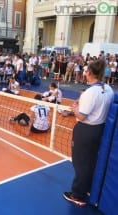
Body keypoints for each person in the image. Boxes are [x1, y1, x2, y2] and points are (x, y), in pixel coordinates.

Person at [63, 59, 114, 207]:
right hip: (101, 130)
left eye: (86, 71)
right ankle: (90, 189)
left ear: (90, 73)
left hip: (86, 131)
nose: (84, 74)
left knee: (80, 162)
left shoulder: (90, 93)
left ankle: (77, 194)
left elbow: (82, 116)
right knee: (92, 161)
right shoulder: (108, 89)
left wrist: (74, 109)